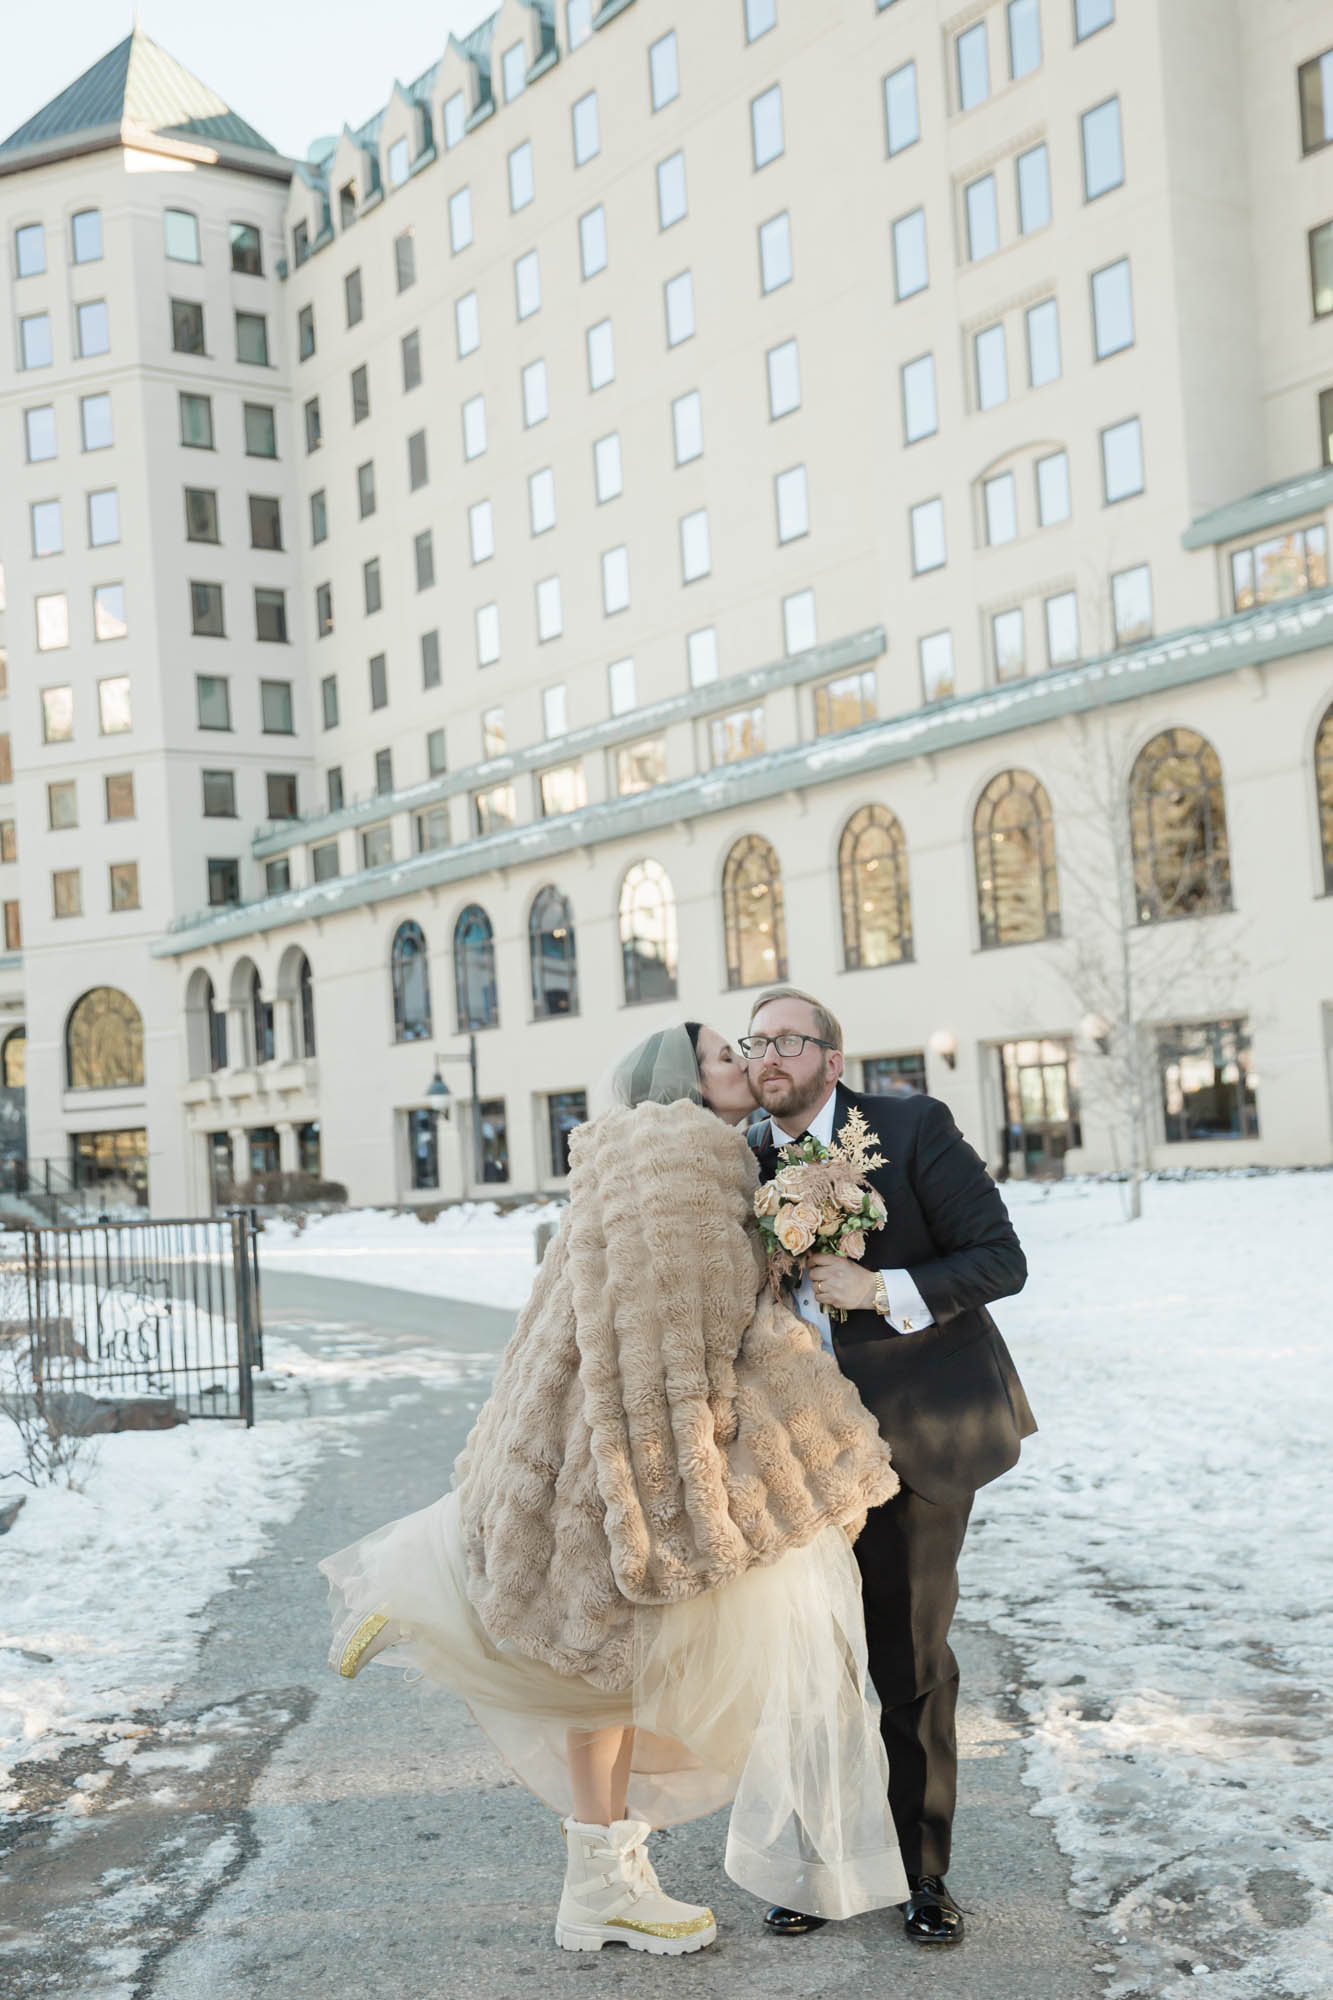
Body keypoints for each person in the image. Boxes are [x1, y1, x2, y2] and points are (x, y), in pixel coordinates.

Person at [319, 1023, 908, 1956]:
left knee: (599, 1662)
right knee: (610, 1661)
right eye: (725, 1056)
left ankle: (601, 1876)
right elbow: (683, 1318)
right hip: (618, 1443)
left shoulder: (630, 1153)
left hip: (574, 1426)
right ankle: (599, 1887)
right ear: (682, 1081)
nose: (747, 1064)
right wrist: (745, 1424)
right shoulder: (681, 1153)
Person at [740, 986, 1032, 1949]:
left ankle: (920, 1871)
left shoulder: (906, 1128)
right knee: (811, 1670)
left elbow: (999, 1258)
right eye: (756, 1043)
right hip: (796, 1455)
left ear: (830, 1056)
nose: (768, 1056)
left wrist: (883, 1288)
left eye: (788, 1040)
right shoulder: (742, 1159)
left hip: (917, 1437)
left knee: (906, 1662)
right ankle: (822, 1864)